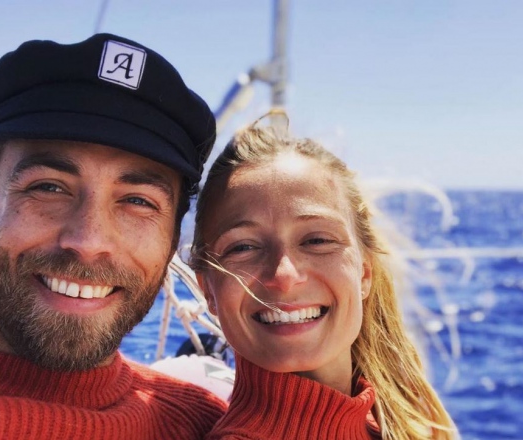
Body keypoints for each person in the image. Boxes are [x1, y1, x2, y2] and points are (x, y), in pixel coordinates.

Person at [0, 33, 227, 439]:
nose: (89, 241)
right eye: (48, 187)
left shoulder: (204, 423)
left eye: (137, 201)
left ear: (171, 239)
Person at [190, 112, 458, 439]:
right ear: (208, 291)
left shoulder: (405, 425)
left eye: (317, 240)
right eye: (243, 247)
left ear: (364, 272)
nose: (285, 275)